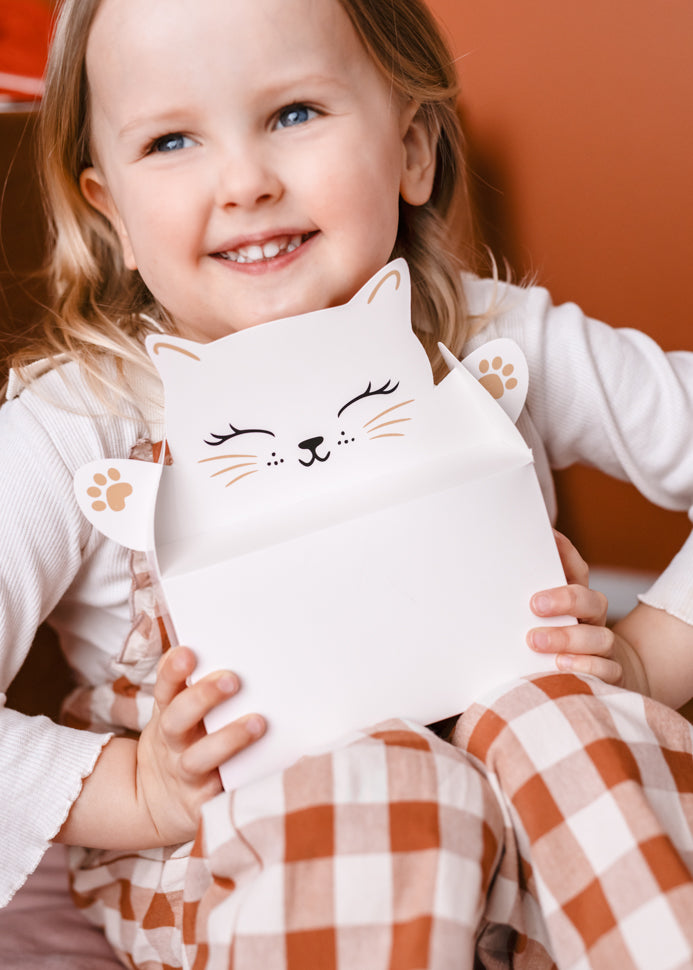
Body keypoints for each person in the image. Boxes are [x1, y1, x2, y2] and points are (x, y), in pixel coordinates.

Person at [1, 0, 692, 966]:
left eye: (292, 113)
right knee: (380, 775)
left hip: (542, 835)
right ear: (110, 209)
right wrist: (136, 792)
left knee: (561, 721)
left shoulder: (495, 339)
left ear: (410, 149)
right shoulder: (77, 423)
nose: (244, 182)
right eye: (170, 140)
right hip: (250, 850)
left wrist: (652, 655)